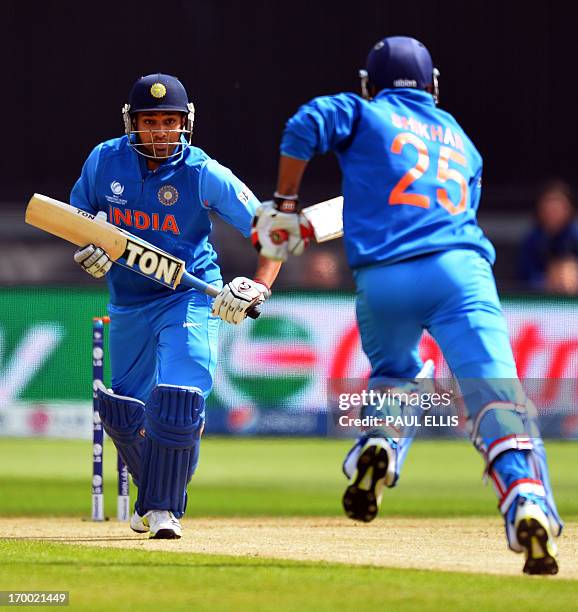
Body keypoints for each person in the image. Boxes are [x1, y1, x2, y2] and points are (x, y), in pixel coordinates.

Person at [252, 37, 562, 574]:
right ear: (432, 86)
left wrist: (284, 206)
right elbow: (463, 206)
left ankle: (382, 443)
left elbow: (305, 123)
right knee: (495, 396)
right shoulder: (464, 142)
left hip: (384, 276)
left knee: (399, 374)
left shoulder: (364, 112)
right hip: (459, 270)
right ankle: (526, 501)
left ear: (369, 83)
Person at [71, 73, 281, 538]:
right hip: (128, 303)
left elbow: (273, 231)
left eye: (171, 121)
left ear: (186, 123)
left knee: (179, 400)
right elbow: (77, 218)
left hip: (188, 294)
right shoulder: (104, 162)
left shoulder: (203, 172)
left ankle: (164, 510)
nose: (161, 132)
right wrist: (90, 247)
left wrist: (258, 285)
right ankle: (155, 498)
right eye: (151, 122)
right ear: (132, 123)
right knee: (124, 413)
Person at [518, 181, 578, 290]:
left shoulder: (575, 236)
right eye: (548, 208)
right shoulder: (532, 241)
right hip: (543, 302)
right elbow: (525, 277)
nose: (552, 213)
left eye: (557, 208)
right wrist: (547, 280)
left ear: (569, 209)